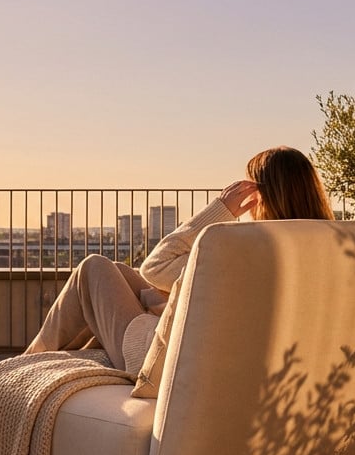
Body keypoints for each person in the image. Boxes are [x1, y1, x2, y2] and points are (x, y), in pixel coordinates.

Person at [24, 146, 334, 376]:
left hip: (161, 361)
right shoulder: (320, 248)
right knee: (117, 271)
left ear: (262, 196)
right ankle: (42, 360)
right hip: (212, 352)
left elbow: (154, 267)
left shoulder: (247, 250)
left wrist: (221, 209)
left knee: (93, 267)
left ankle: (24, 364)